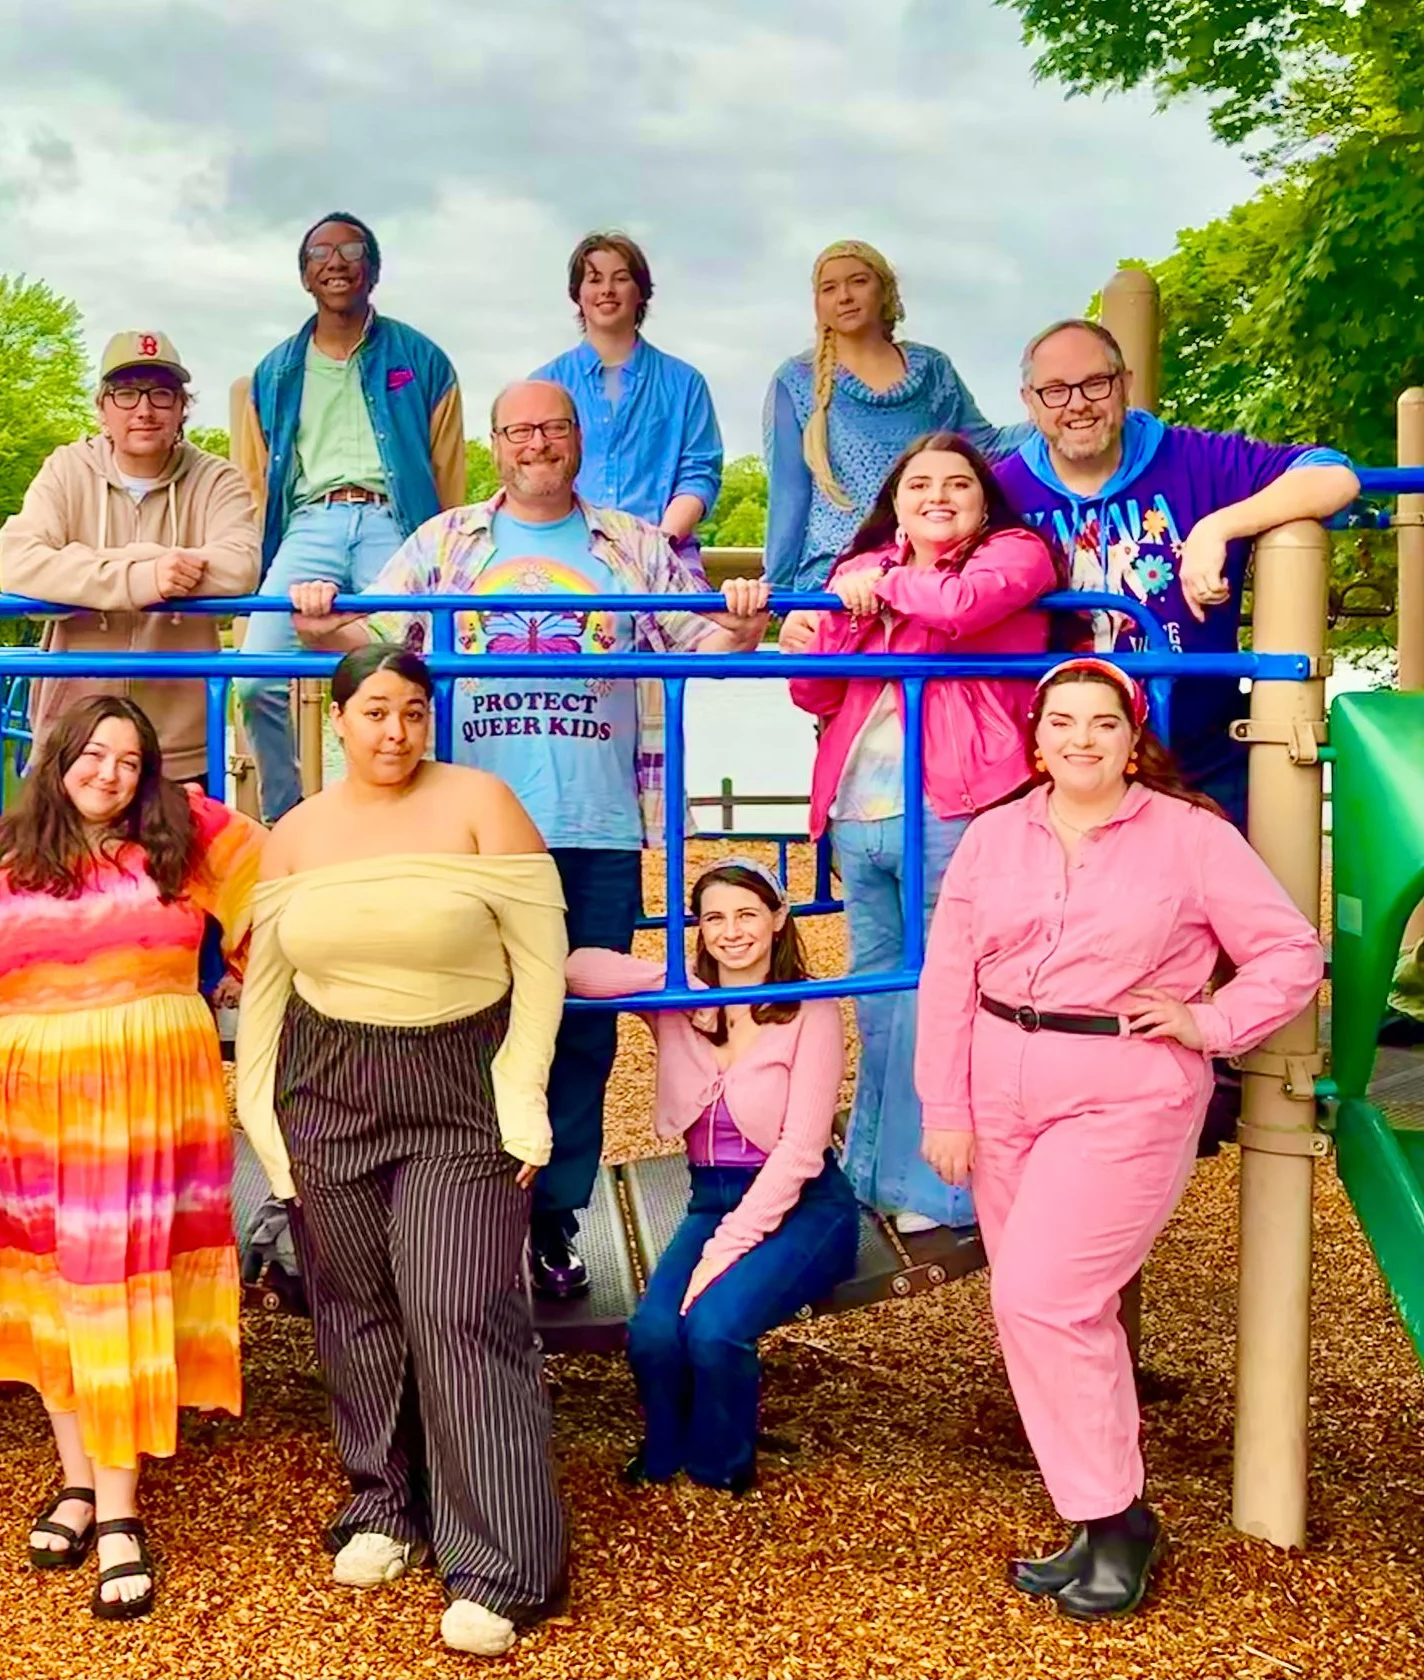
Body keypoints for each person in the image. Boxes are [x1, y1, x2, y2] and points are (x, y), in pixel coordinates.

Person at [289, 378, 771, 1300]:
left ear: (577, 439)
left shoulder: (632, 545)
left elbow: (702, 646)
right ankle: (464, 1218)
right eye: (519, 430)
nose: (536, 444)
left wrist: (743, 624)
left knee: (579, 1030)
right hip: (467, 827)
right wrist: (320, 621)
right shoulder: (447, 543)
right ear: (496, 444)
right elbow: (371, 640)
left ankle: (551, 1219)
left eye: (553, 428)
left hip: (595, 823)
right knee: (465, 1018)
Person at [916, 658, 1321, 1620]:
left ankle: (1118, 1517)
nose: (1081, 739)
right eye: (1062, 722)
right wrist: (945, 1106)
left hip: (1124, 1092)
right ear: (1036, 735)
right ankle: (1096, 1519)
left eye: (1102, 722)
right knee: (1036, 1316)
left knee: (1046, 1298)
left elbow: (1290, 950)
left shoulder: (1189, 837)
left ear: (1131, 735)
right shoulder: (992, 834)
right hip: (1001, 1079)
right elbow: (948, 973)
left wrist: (1210, 1023)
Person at [236, 643, 568, 1661]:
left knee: (460, 1305)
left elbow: (540, 959)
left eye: (412, 713)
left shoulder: (480, 802)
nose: (394, 732)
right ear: (337, 720)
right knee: (353, 1303)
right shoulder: (293, 835)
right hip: (326, 1082)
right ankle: (383, 1505)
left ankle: (502, 1562)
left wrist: (521, 1095)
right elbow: (264, 997)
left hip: (458, 1080)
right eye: (375, 711)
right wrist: (265, 1128)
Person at [0, 696, 262, 1621]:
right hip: (28, 1100)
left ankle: (118, 1512)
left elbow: (277, 892)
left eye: (130, 760)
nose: (110, 773)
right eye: (93, 754)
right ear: (57, 756)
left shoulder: (188, 830)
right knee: (54, 1291)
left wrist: (244, 974)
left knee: (117, 1286)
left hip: (148, 1099)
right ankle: (79, 1480)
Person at [781, 433, 1056, 1231]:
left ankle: (938, 1187)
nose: (938, 495)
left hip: (952, 801)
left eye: (957, 482)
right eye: (918, 484)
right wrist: (827, 620)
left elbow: (966, 606)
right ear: (894, 502)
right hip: (859, 809)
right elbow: (811, 692)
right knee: (880, 1000)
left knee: (941, 996)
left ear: (982, 496)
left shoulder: (1014, 550)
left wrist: (886, 582)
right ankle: (874, 1170)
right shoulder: (864, 571)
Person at [564, 861, 859, 1495]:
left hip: (805, 1206)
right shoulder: (684, 1004)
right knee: (652, 1332)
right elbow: (576, 967)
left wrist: (723, 1251)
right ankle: (665, 1455)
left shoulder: (811, 1008)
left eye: (748, 914)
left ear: (778, 920)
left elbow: (802, 1151)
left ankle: (719, 1468)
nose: (732, 932)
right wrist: (677, 983)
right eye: (715, 918)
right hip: (712, 1199)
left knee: (714, 1326)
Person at [991, 318, 1359, 826]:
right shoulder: (998, 491)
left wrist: (1219, 526)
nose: (1076, 404)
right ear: (1029, 401)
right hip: (1059, 763)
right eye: (1054, 391)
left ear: (1124, 384)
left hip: (1198, 759)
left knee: (1226, 896)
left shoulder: (1197, 459)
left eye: (1095, 383)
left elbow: (1333, 474)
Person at [230, 212, 465, 818]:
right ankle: (288, 814)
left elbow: (447, 470)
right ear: (305, 275)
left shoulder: (423, 358)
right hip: (310, 522)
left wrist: (444, 553)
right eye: (319, 253)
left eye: (351, 249)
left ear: (374, 268)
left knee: (414, 672)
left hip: (397, 525)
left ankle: (420, 811)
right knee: (255, 679)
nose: (336, 261)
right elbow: (257, 480)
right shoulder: (275, 372)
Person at [0, 332, 260, 784]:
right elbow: (19, 563)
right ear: (102, 408)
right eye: (126, 393)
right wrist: (144, 576)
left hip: (179, 747)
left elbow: (239, 565)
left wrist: (101, 563)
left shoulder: (217, 478)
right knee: (65, 857)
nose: (144, 409)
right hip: (75, 739)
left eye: (161, 394)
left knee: (177, 856)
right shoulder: (66, 469)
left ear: (181, 409)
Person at [762, 241, 1007, 591]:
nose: (844, 296)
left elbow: (986, 445)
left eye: (858, 281)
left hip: (924, 575)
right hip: (833, 580)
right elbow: (789, 495)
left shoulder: (933, 369)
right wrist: (778, 590)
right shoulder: (796, 380)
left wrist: (1061, 417)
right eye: (829, 288)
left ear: (885, 290)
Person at [529, 230, 724, 545]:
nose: (607, 290)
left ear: (641, 292)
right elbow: (531, 476)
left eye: (620, 278)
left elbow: (699, 474)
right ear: (577, 294)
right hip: (567, 554)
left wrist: (659, 544)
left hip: (666, 552)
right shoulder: (543, 386)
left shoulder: (686, 384)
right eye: (594, 279)